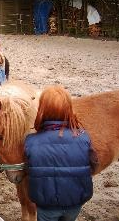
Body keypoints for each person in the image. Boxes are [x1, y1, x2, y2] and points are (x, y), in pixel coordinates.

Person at [25, 85, 95, 221]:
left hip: (46, 205)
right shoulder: (84, 137)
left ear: (42, 109)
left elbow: (29, 171)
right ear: (69, 109)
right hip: (75, 203)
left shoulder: (31, 141)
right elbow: (93, 166)